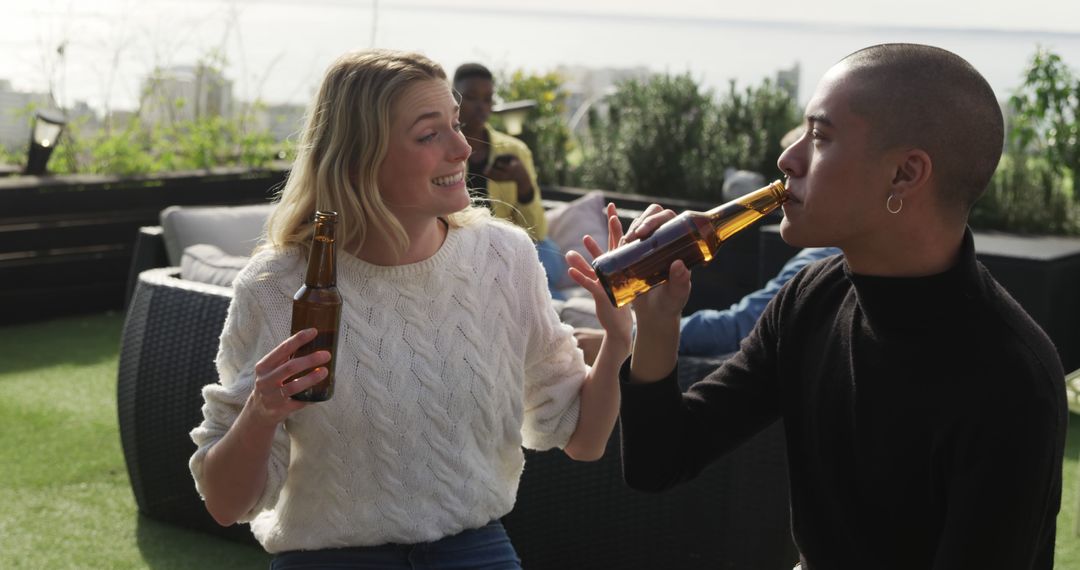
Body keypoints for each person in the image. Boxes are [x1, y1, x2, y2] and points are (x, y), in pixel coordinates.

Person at [608, 44, 1067, 569]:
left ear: (905, 174)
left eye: (820, 136)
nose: (787, 159)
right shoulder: (811, 298)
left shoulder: (1011, 380)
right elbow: (659, 462)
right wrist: (658, 323)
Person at [188, 49, 632, 569]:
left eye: (457, 125)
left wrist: (619, 339)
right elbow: (226, 504)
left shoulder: (504, 258)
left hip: (475, 551)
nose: (463, 148)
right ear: (360, 157)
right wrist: (261, 414)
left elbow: (583, 438)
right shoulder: (278, 286)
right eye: (429, 135)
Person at [573, 246, 841, 363]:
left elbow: (738, 328)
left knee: (569, 312)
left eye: (819, 139)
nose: (787, 164)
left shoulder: (824, 260)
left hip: (649, 342)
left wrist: (629, 341)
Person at [453, 62, 569, 298]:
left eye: (487, 99)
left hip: (506, 248)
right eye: (471, 98)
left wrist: (523, 184)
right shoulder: (442, 149)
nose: (480, 107)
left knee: (548, 255)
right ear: (453, 99)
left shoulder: (514, 150)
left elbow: (538, 231)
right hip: (462, 247)